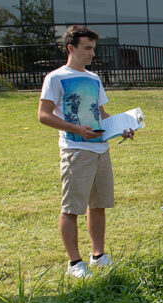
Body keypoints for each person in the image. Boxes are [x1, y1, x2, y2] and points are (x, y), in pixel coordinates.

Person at [38, 25, 134, 278]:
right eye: (87, 48)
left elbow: (101, 115)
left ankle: (98, 256)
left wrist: (121, 128)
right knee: (72, 208)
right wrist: (76, 129)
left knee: (98, 205)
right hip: (76, 150)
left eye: (94, 48)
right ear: (71, 48)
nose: (93, 54)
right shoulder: (56, 78)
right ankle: (74, 263)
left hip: (101, 149)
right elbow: (43, 115)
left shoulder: (94, 78)